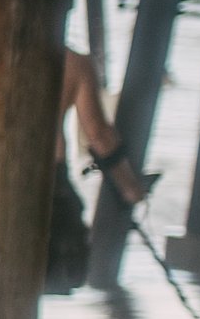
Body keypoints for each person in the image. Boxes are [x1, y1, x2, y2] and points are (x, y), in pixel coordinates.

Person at [47, 48, 152, 294]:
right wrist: (129, 188)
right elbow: (98, 134)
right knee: (54, 279)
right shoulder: (74, 63)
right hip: (50, 180)